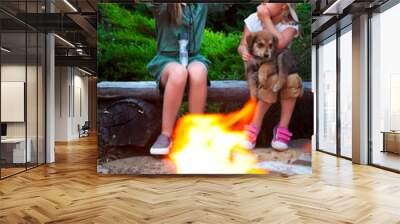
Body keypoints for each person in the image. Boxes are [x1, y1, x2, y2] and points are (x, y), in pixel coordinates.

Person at [147, 3, 227, 155]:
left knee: (199, 73)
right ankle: (166, 135)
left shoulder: (201, 5)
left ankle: (196, 134)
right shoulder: (163, 5)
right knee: (179, 73)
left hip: (193, 57)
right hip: (167, 59)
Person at [237, 3, 303, 151]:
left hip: (282, 68)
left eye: (270, 2)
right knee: (270, 79)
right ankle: (254, 126)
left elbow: (279, 44)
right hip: (256, 68)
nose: (264, 4)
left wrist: (266, 19)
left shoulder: (291, 24)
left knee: (293, 80)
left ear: (284, 6)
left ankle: (282, 129)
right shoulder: (254, 19)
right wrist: (243, 52)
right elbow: (242, 44)